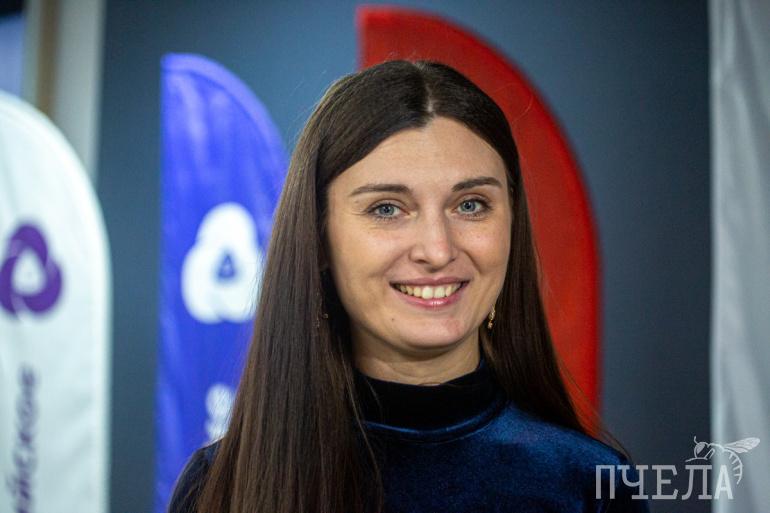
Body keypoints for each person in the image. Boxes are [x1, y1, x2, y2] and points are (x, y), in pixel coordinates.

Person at [168, 60, 649, 513]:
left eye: (471, 205)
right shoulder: (221, 486)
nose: (437, 250)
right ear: (318, 237)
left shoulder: (590, 487)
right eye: (387, 209)